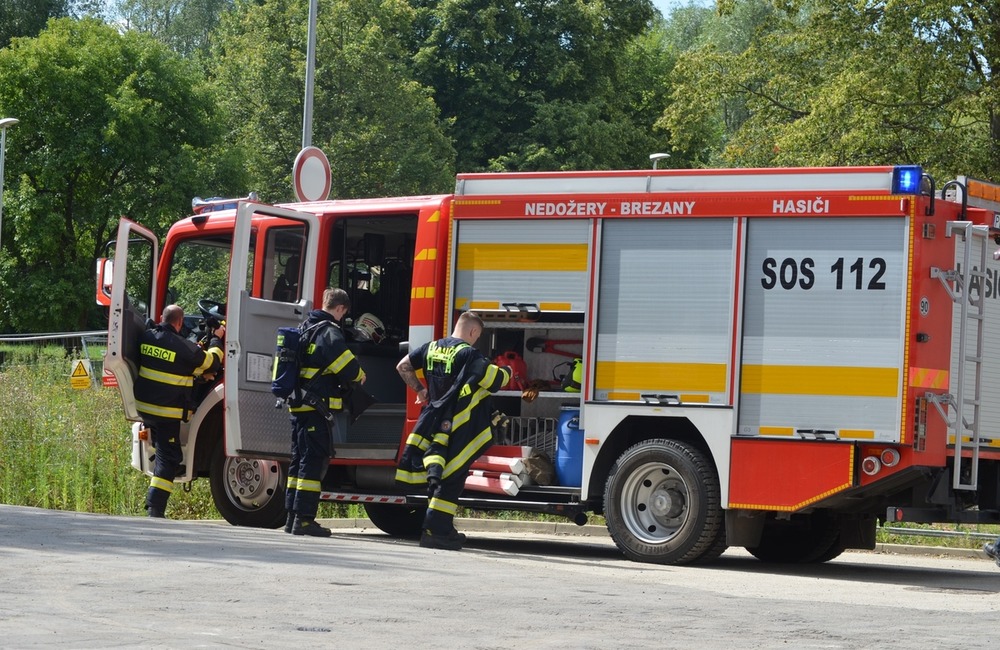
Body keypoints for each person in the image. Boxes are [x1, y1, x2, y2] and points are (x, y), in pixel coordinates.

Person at [395, 311, 511, 550]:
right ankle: (436, 532)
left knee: (440, 475)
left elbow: (403, 366)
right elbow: (494, 380)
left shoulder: (432, 347)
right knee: (452, 477)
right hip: (457, 424)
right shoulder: (469, 354)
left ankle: (441, 529)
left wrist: (420, 389)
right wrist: (509, 371)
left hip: (432, 421)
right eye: (477, 336)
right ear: (473, 332)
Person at [284, 287, 367, 537]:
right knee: (313, 461)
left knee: (298, 461)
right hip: (315, 407)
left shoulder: (305, 327)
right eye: (343, 313)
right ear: (340, 309)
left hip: (299, 405)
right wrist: (361, 375)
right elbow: (346, 367)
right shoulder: (329, 332)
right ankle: (305, 520)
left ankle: (291, 517)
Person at [135, 304, 225, 518]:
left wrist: (197, 372)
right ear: (180, 322)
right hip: (167, 412)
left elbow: (172, 365)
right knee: (170, 457)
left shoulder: (147, 337)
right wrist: (216, 338)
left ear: (161, 317)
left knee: (164, 453)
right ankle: (155, 507)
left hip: (146, 409)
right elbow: (212, 362)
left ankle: (155, 499)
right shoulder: (182, 348)